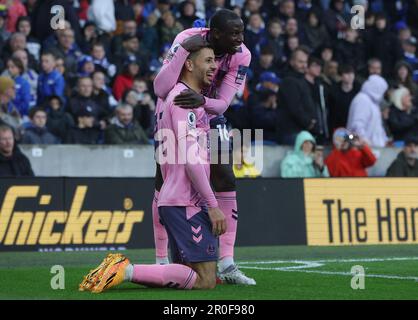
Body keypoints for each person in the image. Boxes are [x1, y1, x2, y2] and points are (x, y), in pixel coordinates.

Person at [79, 46, 226, 293]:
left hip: (177, 198)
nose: (215, 66)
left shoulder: (181, 96)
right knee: (205, 280)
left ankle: (123, 270)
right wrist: (212, 205)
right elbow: (191, 158)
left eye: (215, 60)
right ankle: (124, 270)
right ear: (189, 65)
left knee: (188, 275)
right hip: (186, 201)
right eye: (208, 60)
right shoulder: (182, 98)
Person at [152, 9, 255, 285]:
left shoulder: (242, 55)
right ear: (216, 34)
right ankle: (161, 259)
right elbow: (161, 87)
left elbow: (222, 103)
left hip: (207, 110)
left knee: (225, 175)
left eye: (241, 32)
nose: (240, 39)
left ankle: (228, 263)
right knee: (164, 178)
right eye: (234, 33)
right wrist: (184, 50)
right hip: (174, 107)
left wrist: (201, 102)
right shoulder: (187, 39)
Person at [277, 46, 319, 145]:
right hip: (292, 133)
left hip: (302, 133)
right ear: (292, 62)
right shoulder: (289, 81)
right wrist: (309, 123)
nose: (304, 65)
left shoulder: (301, 80)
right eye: (300, 62)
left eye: (305, 62)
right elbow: (295, 108)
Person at [347, 75, 389, 148]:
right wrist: (364, 141)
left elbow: (377, 126)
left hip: (375, 148)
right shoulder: (362, 100)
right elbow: (357, 125)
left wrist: (384, 139)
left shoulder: (373, 103)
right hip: (364, 148)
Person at [328, 64, 360, 133]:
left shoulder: (359, 90)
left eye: (352, 73)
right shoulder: (333, 91)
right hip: (338, 127)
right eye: (347, 73)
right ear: (341, 76)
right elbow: (331, 112)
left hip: (354, 127)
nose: (350, 76)